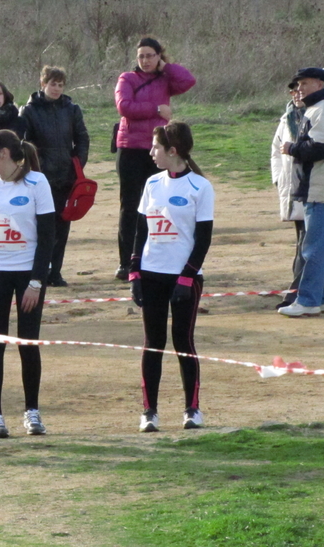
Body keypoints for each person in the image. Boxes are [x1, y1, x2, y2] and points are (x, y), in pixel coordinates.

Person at [129, 122, 214, 433]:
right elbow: (140, 230)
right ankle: (149, 412)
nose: (151, 152)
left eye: (156, 148)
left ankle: (192, 409)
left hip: (184, 278)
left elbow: (203, 239)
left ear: (173, 151)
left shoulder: (200, 187)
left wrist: (187, 277)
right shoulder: (152, 183)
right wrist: (134, 271)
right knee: (153, 343)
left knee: (183, 341)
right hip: (151, 274)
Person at [0, 130, 55, 438]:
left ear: (4, 153)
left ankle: (32, 412)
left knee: (28, 342)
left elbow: (47, 237)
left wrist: (36, 281)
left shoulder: (37, 183)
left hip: (27, 273)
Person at [113, 37, 196, 281]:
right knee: (129, 206)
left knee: (157, 206)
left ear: (159, 56)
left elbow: (188, 81)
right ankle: (125, 261)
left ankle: (151, 258)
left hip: (158, 150)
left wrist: (166, 68)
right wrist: (156, 109)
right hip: (130, 149)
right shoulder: (127, 78)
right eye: (142, 56)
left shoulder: (165, 78)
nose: (146, 60)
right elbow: (124, 106)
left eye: (151, 55)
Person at [278, 68, 324, 317]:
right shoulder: (320, 108)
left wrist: (291, 148)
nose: (300, 89)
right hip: (322, 186)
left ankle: (308, 300)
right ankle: (322, 297)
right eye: (299, 84)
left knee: (314, 247)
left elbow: (319, 147)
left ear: (319, 84)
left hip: (321, 187)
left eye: (304, 83)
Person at [20, 65, 89, 287]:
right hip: (40, 177)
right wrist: (35, 167)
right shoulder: (29, 111)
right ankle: (38, 271)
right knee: (41, 226)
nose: (57, 88)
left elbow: (82, 138)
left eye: (60, 84)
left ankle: (55, 272)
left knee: (62, 225)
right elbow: (24, 144)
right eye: (52, 84)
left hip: (65, 177)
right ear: (43, 84)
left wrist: (76, 164)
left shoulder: (72, 109)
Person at [270, 81, 306, 309]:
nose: (296, 95)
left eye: (300, 90)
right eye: (292, 91)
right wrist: (279, 179)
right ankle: (298, 290)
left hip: (316, 191)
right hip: (292, 190)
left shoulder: (321, 115)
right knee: (302, 242)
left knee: (307, 244)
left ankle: (296, 293)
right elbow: (276, 150)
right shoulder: (287, 118)